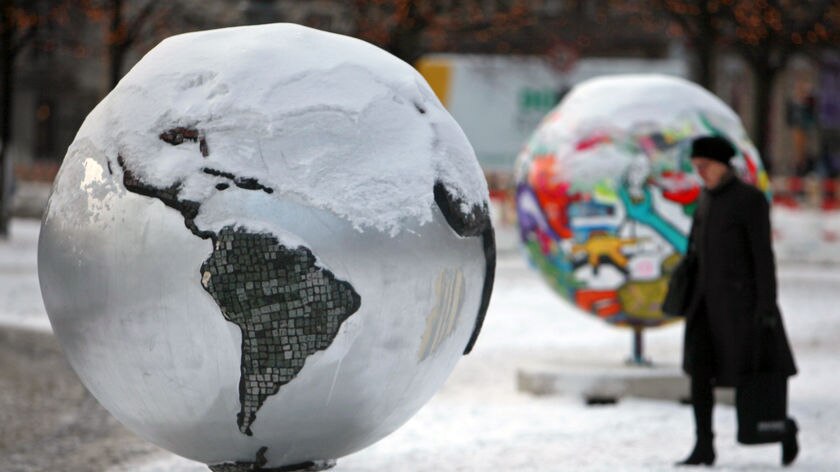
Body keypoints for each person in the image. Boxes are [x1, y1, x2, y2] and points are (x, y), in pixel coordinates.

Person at [677, 136, 798, 466]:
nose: (699, 173)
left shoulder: (750, 200)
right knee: (699, 374)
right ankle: (704, 445)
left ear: (721, 164)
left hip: (739, 309)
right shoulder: (705, 199)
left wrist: (766, 307)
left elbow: (763, 257)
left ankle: (784, 429)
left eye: (703, 166)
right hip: (703, 306)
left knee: (750, 379)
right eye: (696, 167)